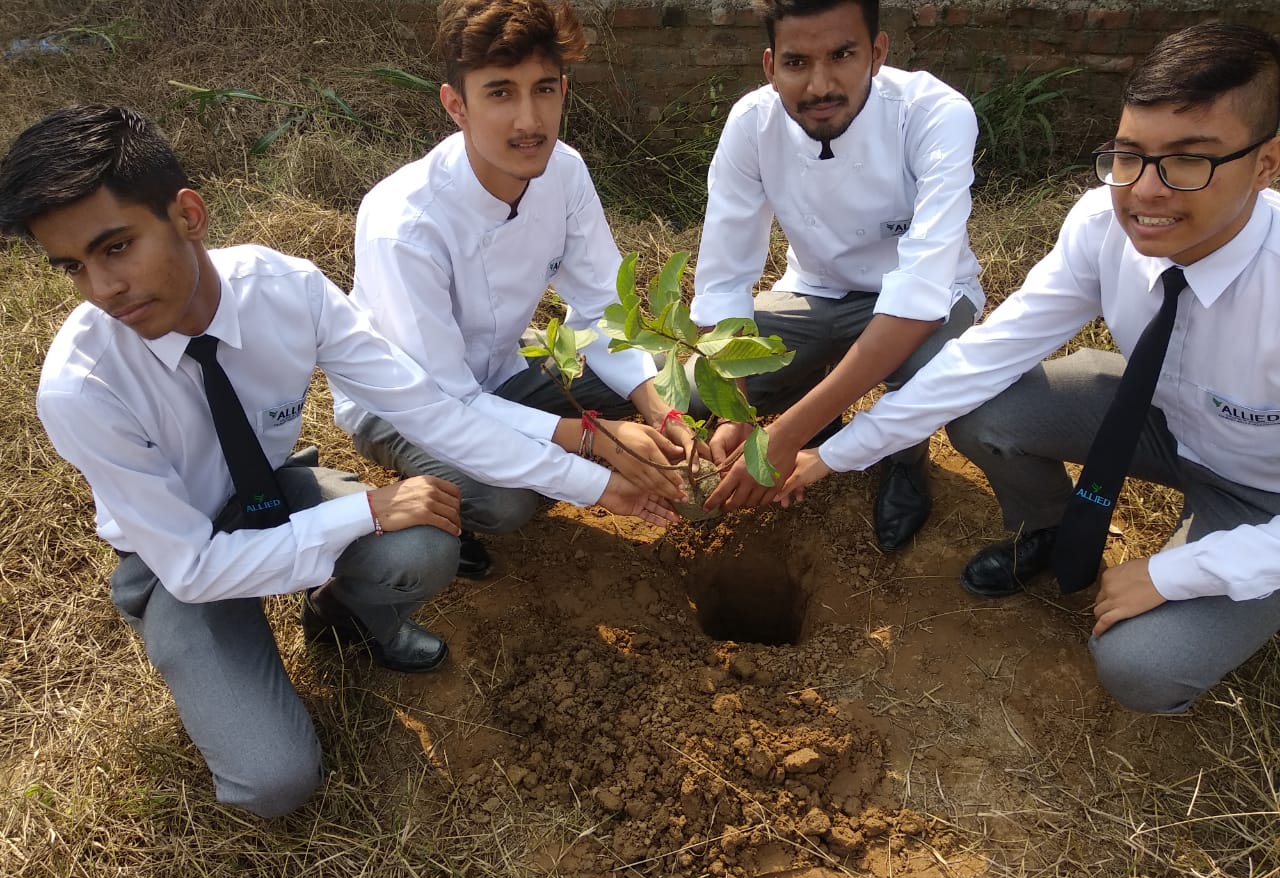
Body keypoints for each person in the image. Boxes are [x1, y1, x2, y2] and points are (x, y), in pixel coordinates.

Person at [2, 105, 675, 817]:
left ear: (188, 215)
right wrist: (364, 509)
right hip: (178, 561)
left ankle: (342, 617)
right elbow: (194, 567)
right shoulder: (84, 386)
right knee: (274, 783)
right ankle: (218, 663)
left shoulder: (285, 291)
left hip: (274, 494)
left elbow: (432, 411)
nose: (103, 288)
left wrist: (594, 482)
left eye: (116, 247)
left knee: (422, 543)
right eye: (74, 267)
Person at [780, 23, 1280, 715]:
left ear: (1266, 163)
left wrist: (1184, 571)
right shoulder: (1103, 229)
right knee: (987, 410)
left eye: (1188, 162)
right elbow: (986, 355)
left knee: (1141, 668)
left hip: (1264, 493)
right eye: (1129, 156)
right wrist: (830, 456)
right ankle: (1049, 529)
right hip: (1159, 417)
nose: (1145, 192)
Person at [333, 0, 697, 579]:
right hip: (408, 404)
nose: (529, 121)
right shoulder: (406, 225)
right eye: (500, 93)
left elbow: (603, 305)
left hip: (506, 366)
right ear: (457, 105)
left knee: (676, 398)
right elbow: (446, 402)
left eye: (543, 90)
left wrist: (657, 406)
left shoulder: (565, 173)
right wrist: (591, 442)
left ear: (564, 91)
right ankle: (438, 491)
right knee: (507, 501)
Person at [690, 0, 983, 551]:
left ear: (876, 53)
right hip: (815, 290)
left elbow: (918, 294)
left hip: (935, 300)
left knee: (926, 364)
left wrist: (785, 433)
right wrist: (738, 409)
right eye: (797, 63)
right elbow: (724, 278)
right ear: (770, 66)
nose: (820, 85)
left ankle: (904, 457)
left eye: (842, 56)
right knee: (704, 385)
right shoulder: (753, 124)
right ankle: (820, 407)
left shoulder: (933, 113)